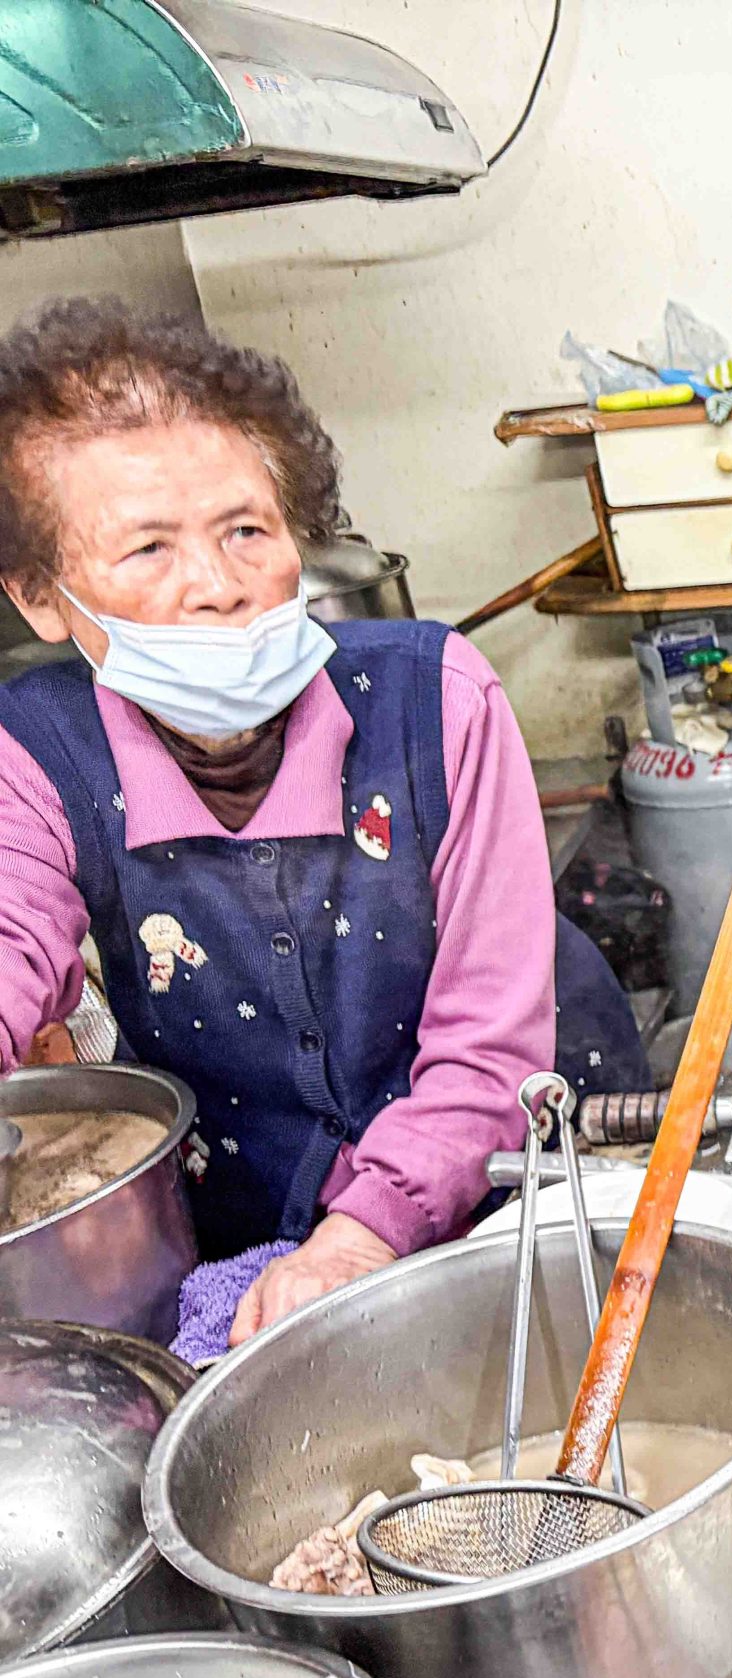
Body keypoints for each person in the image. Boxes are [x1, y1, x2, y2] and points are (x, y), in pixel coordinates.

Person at [0, 300, 646, 1343]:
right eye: (149, 550)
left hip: (512, 1178)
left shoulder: (438, 702)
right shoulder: (33, 755)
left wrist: (358, 1239)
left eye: (247, 530)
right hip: (262, 1249)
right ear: (41, 594)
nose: (218, 587)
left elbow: (488, 1042)